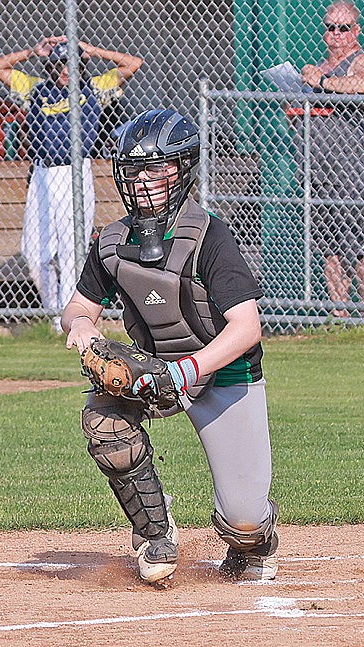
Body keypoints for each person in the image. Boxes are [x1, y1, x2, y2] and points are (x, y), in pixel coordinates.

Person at [61, 109, 279, 586]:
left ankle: (254, 541)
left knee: (242, 520)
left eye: (156, 168)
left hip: (224, 375)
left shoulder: (209, 236)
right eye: (133, 168)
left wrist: (185, 371)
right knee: (105, 422)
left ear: (182, 169)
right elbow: (77, 308)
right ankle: (155, 533)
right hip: (156, 370)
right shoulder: (113, 242)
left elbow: (246, 327)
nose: (142, 180)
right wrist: (82, 329)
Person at [0, 36, 142, 318]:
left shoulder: (93, 88)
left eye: (72, 63)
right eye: (59, 63)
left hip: (75, 172)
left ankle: (70, 317)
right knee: (34, 252)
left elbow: (133, 64)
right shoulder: (35, 89)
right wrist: (33, 52)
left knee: (72, 251)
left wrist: (93, 51)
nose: (65, 70)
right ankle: (53, 311)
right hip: (42, 174)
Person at [296, 1, 364, 317]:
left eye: (343, 28)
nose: (336, 34)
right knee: (329, 246)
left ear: (355, 31)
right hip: (319, 170)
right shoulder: (320, 69)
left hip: (352, 170)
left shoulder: (360, 62)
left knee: (360, 244)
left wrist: (323, 83)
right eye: (330, 27)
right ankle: (339, 313)